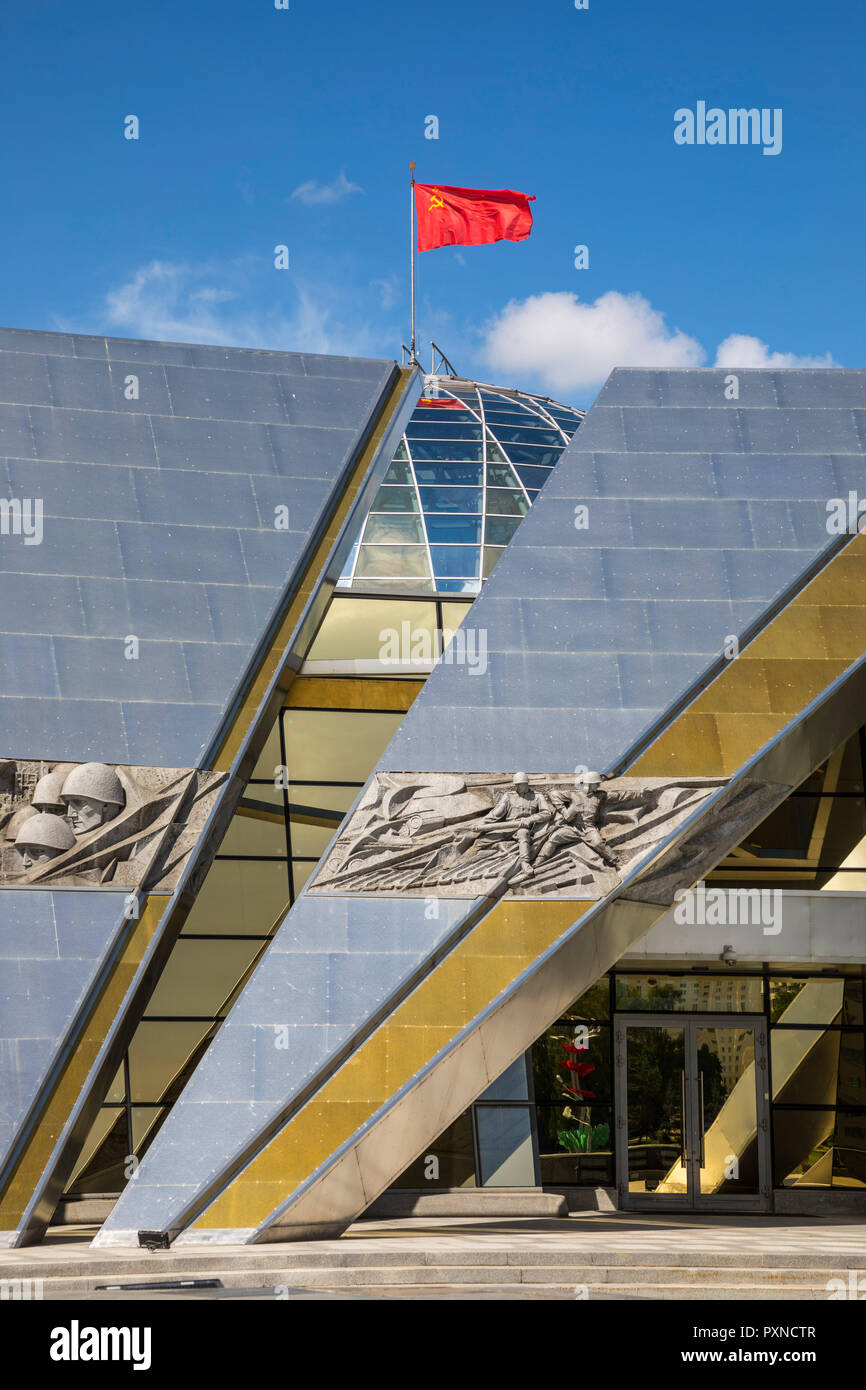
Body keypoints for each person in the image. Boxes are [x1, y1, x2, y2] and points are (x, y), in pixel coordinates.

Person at [533, 771, 621, 871]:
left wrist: (638, 795)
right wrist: (563, 811)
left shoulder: (600, 795)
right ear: (590, 783)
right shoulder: (574, 794)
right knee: (554, 838)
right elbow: (553, 794)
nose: (598, 785)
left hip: (589, 828)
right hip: (573, 827)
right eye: (597, 783)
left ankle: (617, 861)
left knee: (598, 843)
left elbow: (618, 796)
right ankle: (537, 863)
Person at [481, 772, 552, 880]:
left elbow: (547, 813)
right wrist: (481, 823)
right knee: (482, 841)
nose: (517, 786)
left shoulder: (537, 796)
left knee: (523, 833)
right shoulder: (508, 796)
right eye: (516, 784)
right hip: (507, 827)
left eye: (520, 784)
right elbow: (496, 813)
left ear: (526, 784)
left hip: (523, 828)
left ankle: (525, 863)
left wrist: (529, 819)